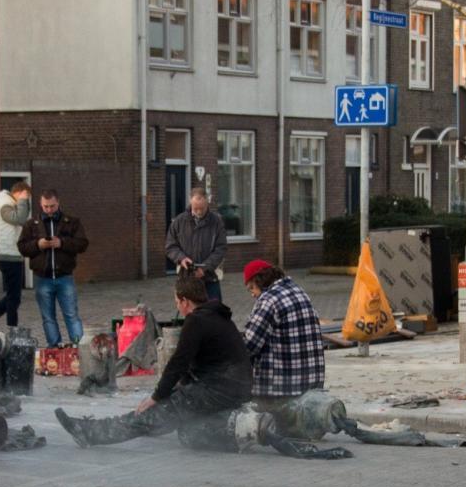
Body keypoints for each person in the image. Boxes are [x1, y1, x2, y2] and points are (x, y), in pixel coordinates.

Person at [56, 274, 250, 447]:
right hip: (235, 387)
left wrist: (156, 397)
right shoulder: (218, 316)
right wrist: (172, 392)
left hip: (220, 389)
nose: (177, 306)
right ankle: (238, 428)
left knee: (155, 412)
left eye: (177, 301)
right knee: (188, 432)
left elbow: (178, 363)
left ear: (185, 301)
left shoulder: (196, 320)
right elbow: (194, 366)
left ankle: (92, 432)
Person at [240, 260, 326, 402]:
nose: (252, 295)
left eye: (252, 288)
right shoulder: (298, 291)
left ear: (260, 281)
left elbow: (249, 345)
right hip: (312, 383)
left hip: (282, 388)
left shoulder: (269, 300)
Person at [18, 188, 88, 346]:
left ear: (58, 203)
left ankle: (79, 347)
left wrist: (62, 243)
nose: (49, 210)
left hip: (65, 276)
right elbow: (22, 247)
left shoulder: (72, 222)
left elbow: (83, 244)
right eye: (46, 206)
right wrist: (38, 245)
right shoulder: (31, 224)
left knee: (71, 315)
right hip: (42, 278)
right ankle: (54, 348)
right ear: (40, 204)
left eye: (52, 206)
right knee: (48, 318)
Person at [0, 180, 33, 332]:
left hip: (12, 255)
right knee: (13, 297)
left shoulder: (7, 204)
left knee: (13, 297)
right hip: (9, 256)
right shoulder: (4, 206)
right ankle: (10, 328)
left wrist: (23, 202)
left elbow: (23, 217)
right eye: (26, 196)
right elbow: (20, 219)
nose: (26, 199)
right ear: (19, 192)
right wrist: (22, 201)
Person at [165, 185, 229, 304]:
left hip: (210, 278)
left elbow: (221, 248)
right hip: (187, 278)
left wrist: (205, 268)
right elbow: (170, 246)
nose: (199, 211)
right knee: (189, 311)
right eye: (196, 208)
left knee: (214, 311)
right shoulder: (179, 221)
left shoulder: (216, 221)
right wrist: (181, 258)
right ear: (190, 202)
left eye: (202, 208)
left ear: (207, 203)